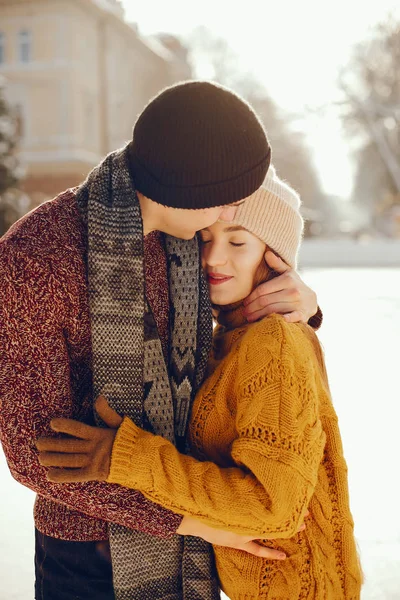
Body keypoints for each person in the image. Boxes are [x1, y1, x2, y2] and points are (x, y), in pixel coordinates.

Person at [1, 81, 320, 600]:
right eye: (223, 201)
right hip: (86, 554)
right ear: (187, 194)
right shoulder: (34, 260)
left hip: (197, 542)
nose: (228, 214)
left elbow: (240, 330)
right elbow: (32, 453)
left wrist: (296, 300)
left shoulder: (188, 236)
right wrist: (187, 522)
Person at [38, 165, 362, 600]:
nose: (213, 258)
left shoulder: (272, 342)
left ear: (276, 257)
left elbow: (274, 507)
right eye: (205, 239)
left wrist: (128, 457)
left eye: (238, 242)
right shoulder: (221, 340)